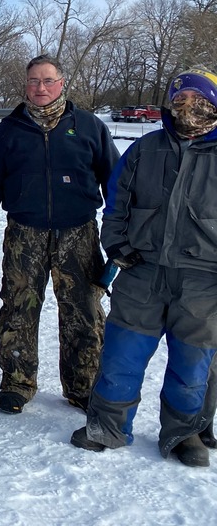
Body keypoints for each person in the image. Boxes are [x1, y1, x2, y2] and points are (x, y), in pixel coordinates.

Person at [71, 68, 217, 467]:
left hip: (204, 280)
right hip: (141, 272)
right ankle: (108, 426)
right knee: (122, 355)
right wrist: (117, 246)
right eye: (181, 102)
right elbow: (115, 203)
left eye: (200, 102)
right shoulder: (145, 149)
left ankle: (185, 432)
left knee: (192, 364)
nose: (189, 109)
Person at [0, 55, 117, 415]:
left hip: (79, 232)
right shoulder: (8, 130)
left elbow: (115, 181)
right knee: (19, 307)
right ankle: (17, 382)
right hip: (25, 232)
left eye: (48, 81)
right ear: (26, 85)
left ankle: (82, 385)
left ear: (61, 82)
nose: (40, 88)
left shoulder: (88, 126)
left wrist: (120, 231)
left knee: (83, 310)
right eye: (34, 81)